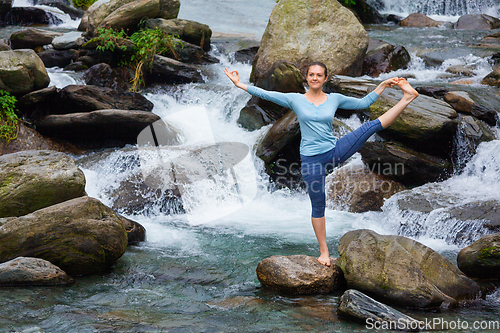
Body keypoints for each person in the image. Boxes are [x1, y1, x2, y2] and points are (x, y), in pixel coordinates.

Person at [224, 62, 419, 266]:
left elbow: (363, 103)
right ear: (306, 78)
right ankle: (324, 252)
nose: (315, 78)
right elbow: (266, 94)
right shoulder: (295, 99)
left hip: (335, 151)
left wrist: (382, 85)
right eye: (311, 75)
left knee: (370, 127)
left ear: (325, 79)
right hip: (311, 160)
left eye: (319, 75)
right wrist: (239, 84)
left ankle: (407, 98)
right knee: (318, 206)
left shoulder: (334, 99)